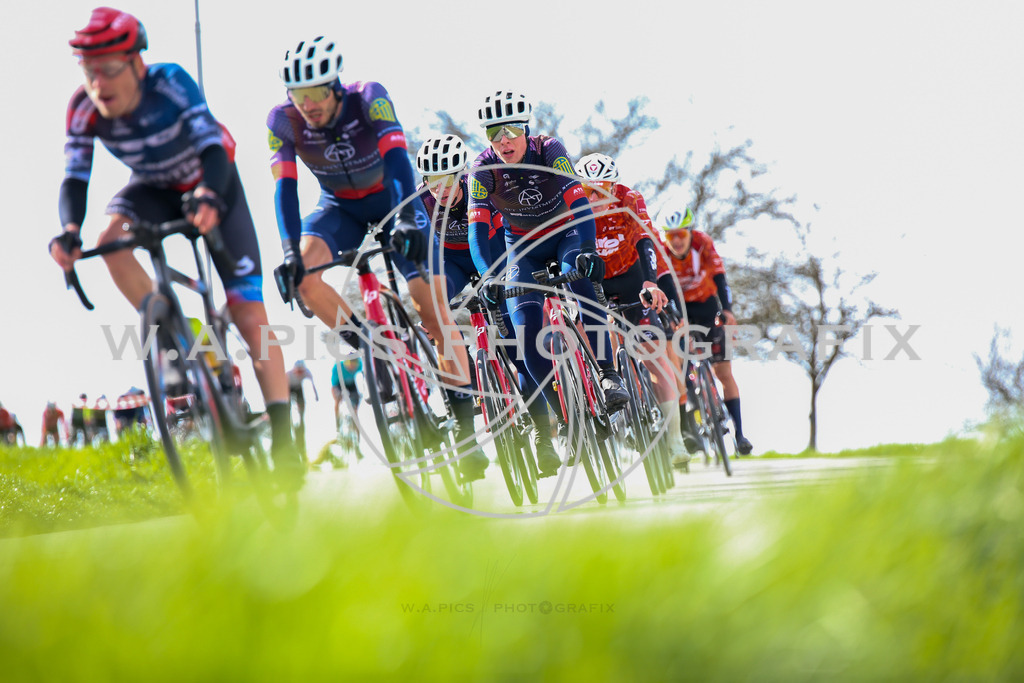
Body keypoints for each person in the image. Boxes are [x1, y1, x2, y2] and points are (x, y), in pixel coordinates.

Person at [49, 8, 302, 485]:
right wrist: (68, 230)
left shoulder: (170, 83)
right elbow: (75, 177)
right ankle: (172, 326)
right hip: (151, 186)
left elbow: (212, 147)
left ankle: (285, 437)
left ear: (136, 62)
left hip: (210, 178)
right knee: (108, 241)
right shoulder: (82, 108)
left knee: (249, 312)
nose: (98, 84)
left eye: (107, 69)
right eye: (87, 70)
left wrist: (207, 195)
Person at [266, 35, 474, 472]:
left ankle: (463, 425)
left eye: (316, 93)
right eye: (298, 96)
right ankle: (371, 345)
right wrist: (289, 251)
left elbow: (399, 162)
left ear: (335, 85)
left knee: (432, 312)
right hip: (337, 208)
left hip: (393, 201)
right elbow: (285, 189)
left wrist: (406, 222)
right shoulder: (281, 122)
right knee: (304, 274)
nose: (309, 105)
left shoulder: (369, 99)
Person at [467, 91, 629, 477]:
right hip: (523, 247)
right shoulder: (482, 169)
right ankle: (565, 419)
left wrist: (588, 250)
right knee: (525, 334)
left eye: (510, 130)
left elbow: (578, 200)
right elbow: (476, 232)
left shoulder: (550, 150)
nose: (503, 140)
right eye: (494, 132)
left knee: (582, 285)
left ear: (525, 129)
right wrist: (489, 277)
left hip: (567, 234)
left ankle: (607, 374)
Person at [416, 133, 558, 478]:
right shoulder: (421, 203)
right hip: (451, 266)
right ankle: (467, 436)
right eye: (432, 183)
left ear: (461, 174)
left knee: (517, 350)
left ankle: (543, 437)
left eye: (448, 181)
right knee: (438, 319)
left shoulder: (484, 188)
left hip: (494, 260)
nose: (441, 190)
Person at [574, 153, 691, 465]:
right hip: (594, 280)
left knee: (653, 354)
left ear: (615, 186)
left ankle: (676, 439)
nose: (594, 198)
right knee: (592, 338)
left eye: (601, 191)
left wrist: (651, 284)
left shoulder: (630, 198)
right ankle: (615, 414)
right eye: (588, 191)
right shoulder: (574, 202)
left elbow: (645, 240)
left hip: (630, 276)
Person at [654, 206, 754, 455]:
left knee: (724, 372)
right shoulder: (661, 253)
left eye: (681, 235)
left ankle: (740, 434)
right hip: (680, 311)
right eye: (671, 236)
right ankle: (690, 425)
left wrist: (728, 310)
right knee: (681, 369)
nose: (676, 241)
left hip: (707, 306)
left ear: (690, 232)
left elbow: (720, 277)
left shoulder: (703, 243)